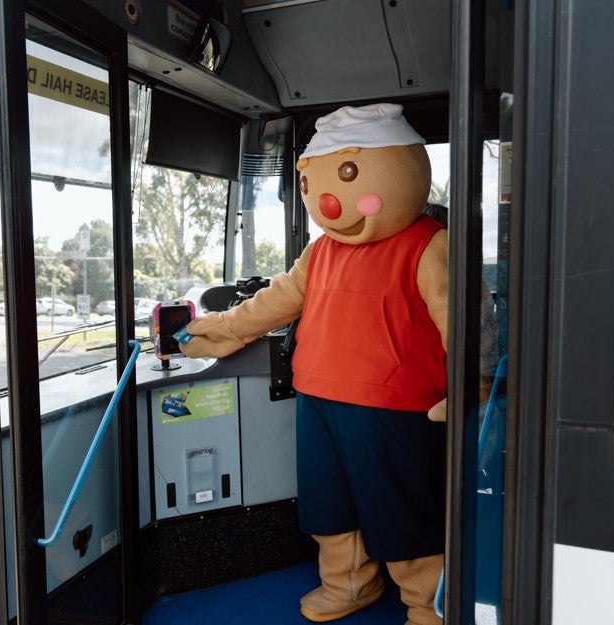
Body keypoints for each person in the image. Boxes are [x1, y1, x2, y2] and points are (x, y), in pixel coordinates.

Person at [181, 103, 446, 625]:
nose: (326, 200)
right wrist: (227, 328)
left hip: (395, 405)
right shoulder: (321, 251)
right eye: (311, 184)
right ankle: (348, 583)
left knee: (404, 511)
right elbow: (278, 299)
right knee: (331, 504)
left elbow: (462, 320)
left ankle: (430, 603)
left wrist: (471, 381)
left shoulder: (427, 245)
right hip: (320, 399)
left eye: (348, 174)